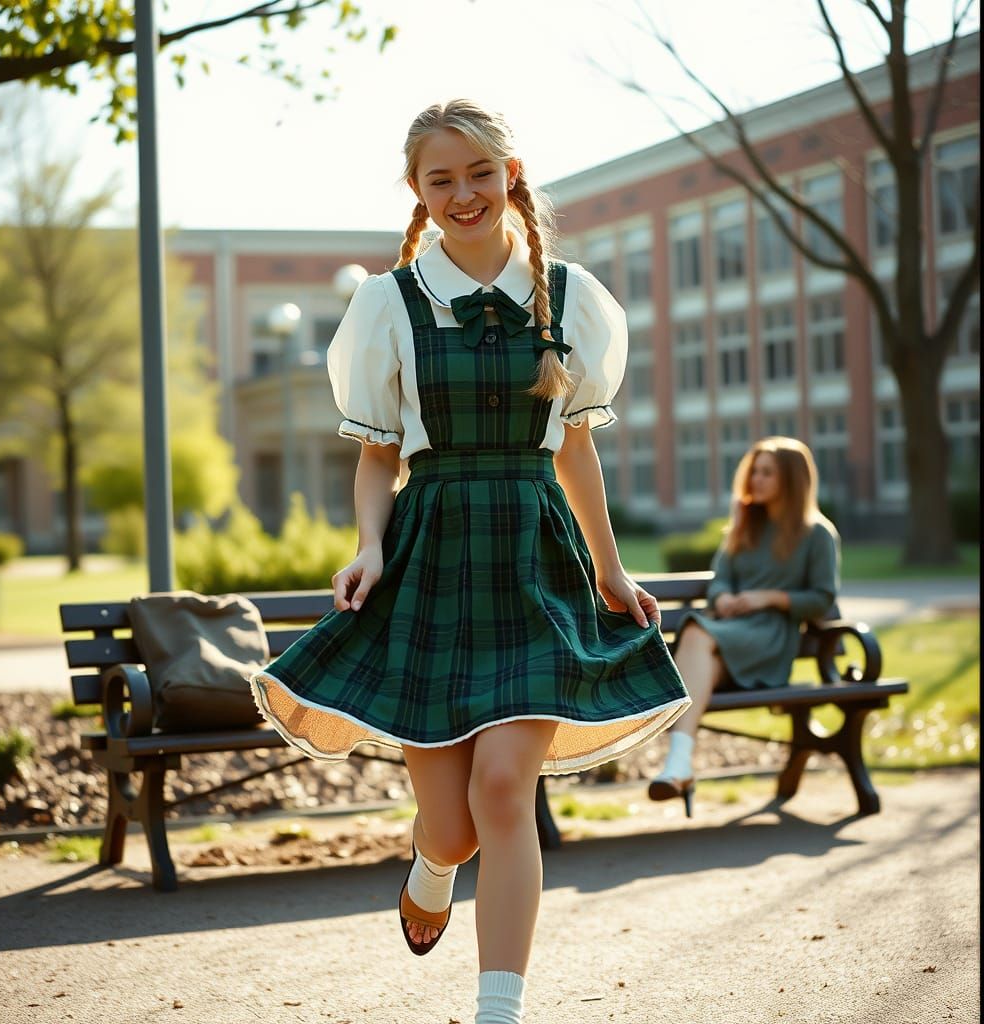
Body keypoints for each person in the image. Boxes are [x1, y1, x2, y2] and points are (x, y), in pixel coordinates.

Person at [249, 98, 690, 1024]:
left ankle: (499, 1009)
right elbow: (377, 457)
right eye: (440, 179)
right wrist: (368, 547)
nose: (463, 194)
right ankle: (430, 862)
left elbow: (575, 450)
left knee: (504, 787)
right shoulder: (389, 304)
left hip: (534, 558)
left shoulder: (570, 296)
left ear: (511, 176)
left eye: (479, 174)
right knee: (450, 824)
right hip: (431, 560)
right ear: (417, 190)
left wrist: (611, 570)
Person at [647, 436, 841, 816]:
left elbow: (822, 599)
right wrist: (721, 599)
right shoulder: (744, 526)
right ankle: (679, 765)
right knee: (698, 635)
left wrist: (766, 598)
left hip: (771, 637)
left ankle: (679, 763)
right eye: (754, 470)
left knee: (694, 630)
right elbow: (721, 579)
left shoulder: (817, 534)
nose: (756, 478)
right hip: (730, 633)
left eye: (767, 472)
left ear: (791, 479)